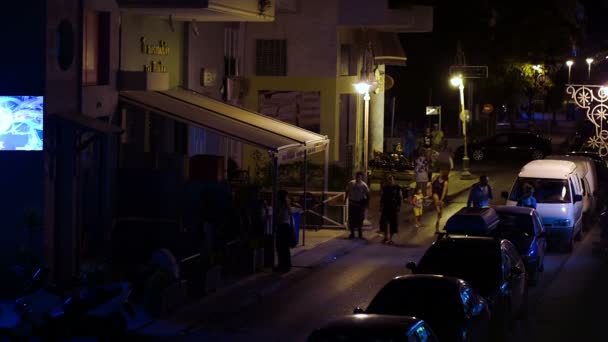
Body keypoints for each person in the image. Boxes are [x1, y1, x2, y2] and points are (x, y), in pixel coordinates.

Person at [345, 171, 370, 239]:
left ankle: (360, 233)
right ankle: (352, 233)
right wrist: (345, 200)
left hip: (359, 204)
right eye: (357, 176)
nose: (358, 178)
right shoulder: (351, 183)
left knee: (360, 219)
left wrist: (366, 203)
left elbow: (367, 194)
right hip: (352, 203)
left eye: (359, 177)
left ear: (361, 177)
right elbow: (347, 191)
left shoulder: (364, 185)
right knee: (352, 219)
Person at [274, 189, 294, 272]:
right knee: (285, 248)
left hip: (282, 227)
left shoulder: (282, 205)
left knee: (281, 248)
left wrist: (275, 221)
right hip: (286, 226)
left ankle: (282, 265)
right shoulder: (287, 204)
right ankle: (286, 265)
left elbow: (280, 217)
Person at [380, 174, 402, 244]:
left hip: (394, 206)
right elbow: (382, 197)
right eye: (388, 179)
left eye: (391, 179)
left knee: (393, 223)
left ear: (393, 180)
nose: (390, 180)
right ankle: (385, 237)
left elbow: (400, 197)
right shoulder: (385, 187)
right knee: (384, 222)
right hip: (386, 206)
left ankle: (391, 239)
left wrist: (399, 206)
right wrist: (381, 206)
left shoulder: (397, 187)